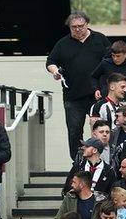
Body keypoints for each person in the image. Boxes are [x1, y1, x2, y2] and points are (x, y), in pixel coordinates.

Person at [46, 13, 113, 160]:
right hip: (73, 96)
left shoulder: (100, 39)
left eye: (80, 26)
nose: (77, 30)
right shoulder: (63, 43)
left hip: (98, 95)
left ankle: (105, 160)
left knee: (103, 129)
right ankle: (78, 161)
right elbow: (50, 61)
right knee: (74, 131)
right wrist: (55, 72)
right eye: (73, 27)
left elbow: (110, 62)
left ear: (87, 24)